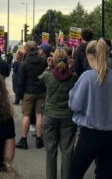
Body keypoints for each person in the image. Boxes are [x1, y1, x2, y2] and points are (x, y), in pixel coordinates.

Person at [68, 38, 112, 179]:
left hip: (90, 134)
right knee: (105, 174)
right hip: (110, 135)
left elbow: (74, 104)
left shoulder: (87, 77)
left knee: (75, 173)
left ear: (90, 56)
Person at [39, 48, 77, 179]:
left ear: (53, 61)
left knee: (50, 151)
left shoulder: (47, 76)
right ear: (68, 60)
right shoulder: (73, 77)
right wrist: (70, 67)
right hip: (68, 116)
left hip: (50, 115)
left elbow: (40, 78)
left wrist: (49, 67)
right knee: (67, 151)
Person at [16, 41, 46, 149]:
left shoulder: (24, 63)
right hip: (41, 91)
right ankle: (39, 139)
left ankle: (24, 140)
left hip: (28, 92)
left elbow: (20, 82)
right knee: (39, 115)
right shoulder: (43, 60)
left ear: (27, 49)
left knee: (26, 115)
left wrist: (18, 97)